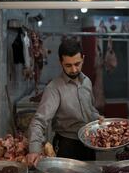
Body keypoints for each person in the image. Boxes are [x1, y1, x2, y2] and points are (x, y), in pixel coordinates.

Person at [27, 38, 103, 166]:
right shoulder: (54, 88)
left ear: (83, 59)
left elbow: (89, 109)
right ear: (60, 62)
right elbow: (38, 121)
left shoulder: (87, 82)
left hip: (89, 143)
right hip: (67, 146)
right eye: (68, 65)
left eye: (77, 64)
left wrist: (97, 117)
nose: (73, 69)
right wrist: (34, 149)